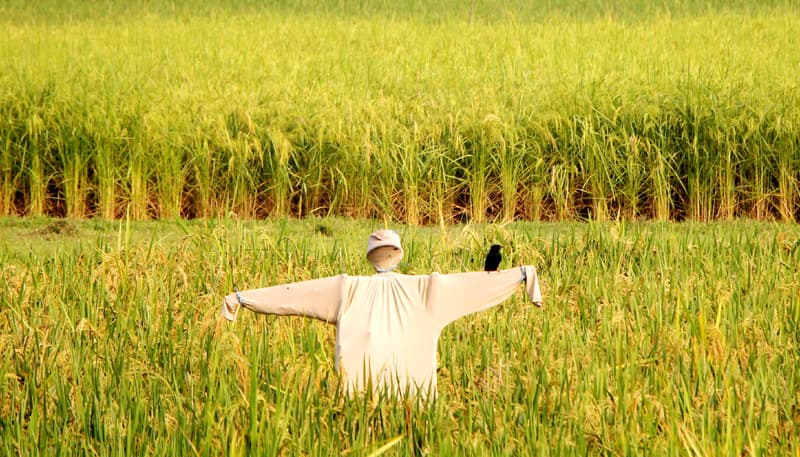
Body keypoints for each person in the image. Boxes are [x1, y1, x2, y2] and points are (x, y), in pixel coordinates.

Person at [221, 229, 542, 398]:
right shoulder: (429, 289)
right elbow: (474, 286)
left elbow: (292, 295)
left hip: (360, 404)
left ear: (369, 256)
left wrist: (243, 298)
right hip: (416, 403)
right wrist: (522, 275)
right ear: (399, 255)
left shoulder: (346, 289)